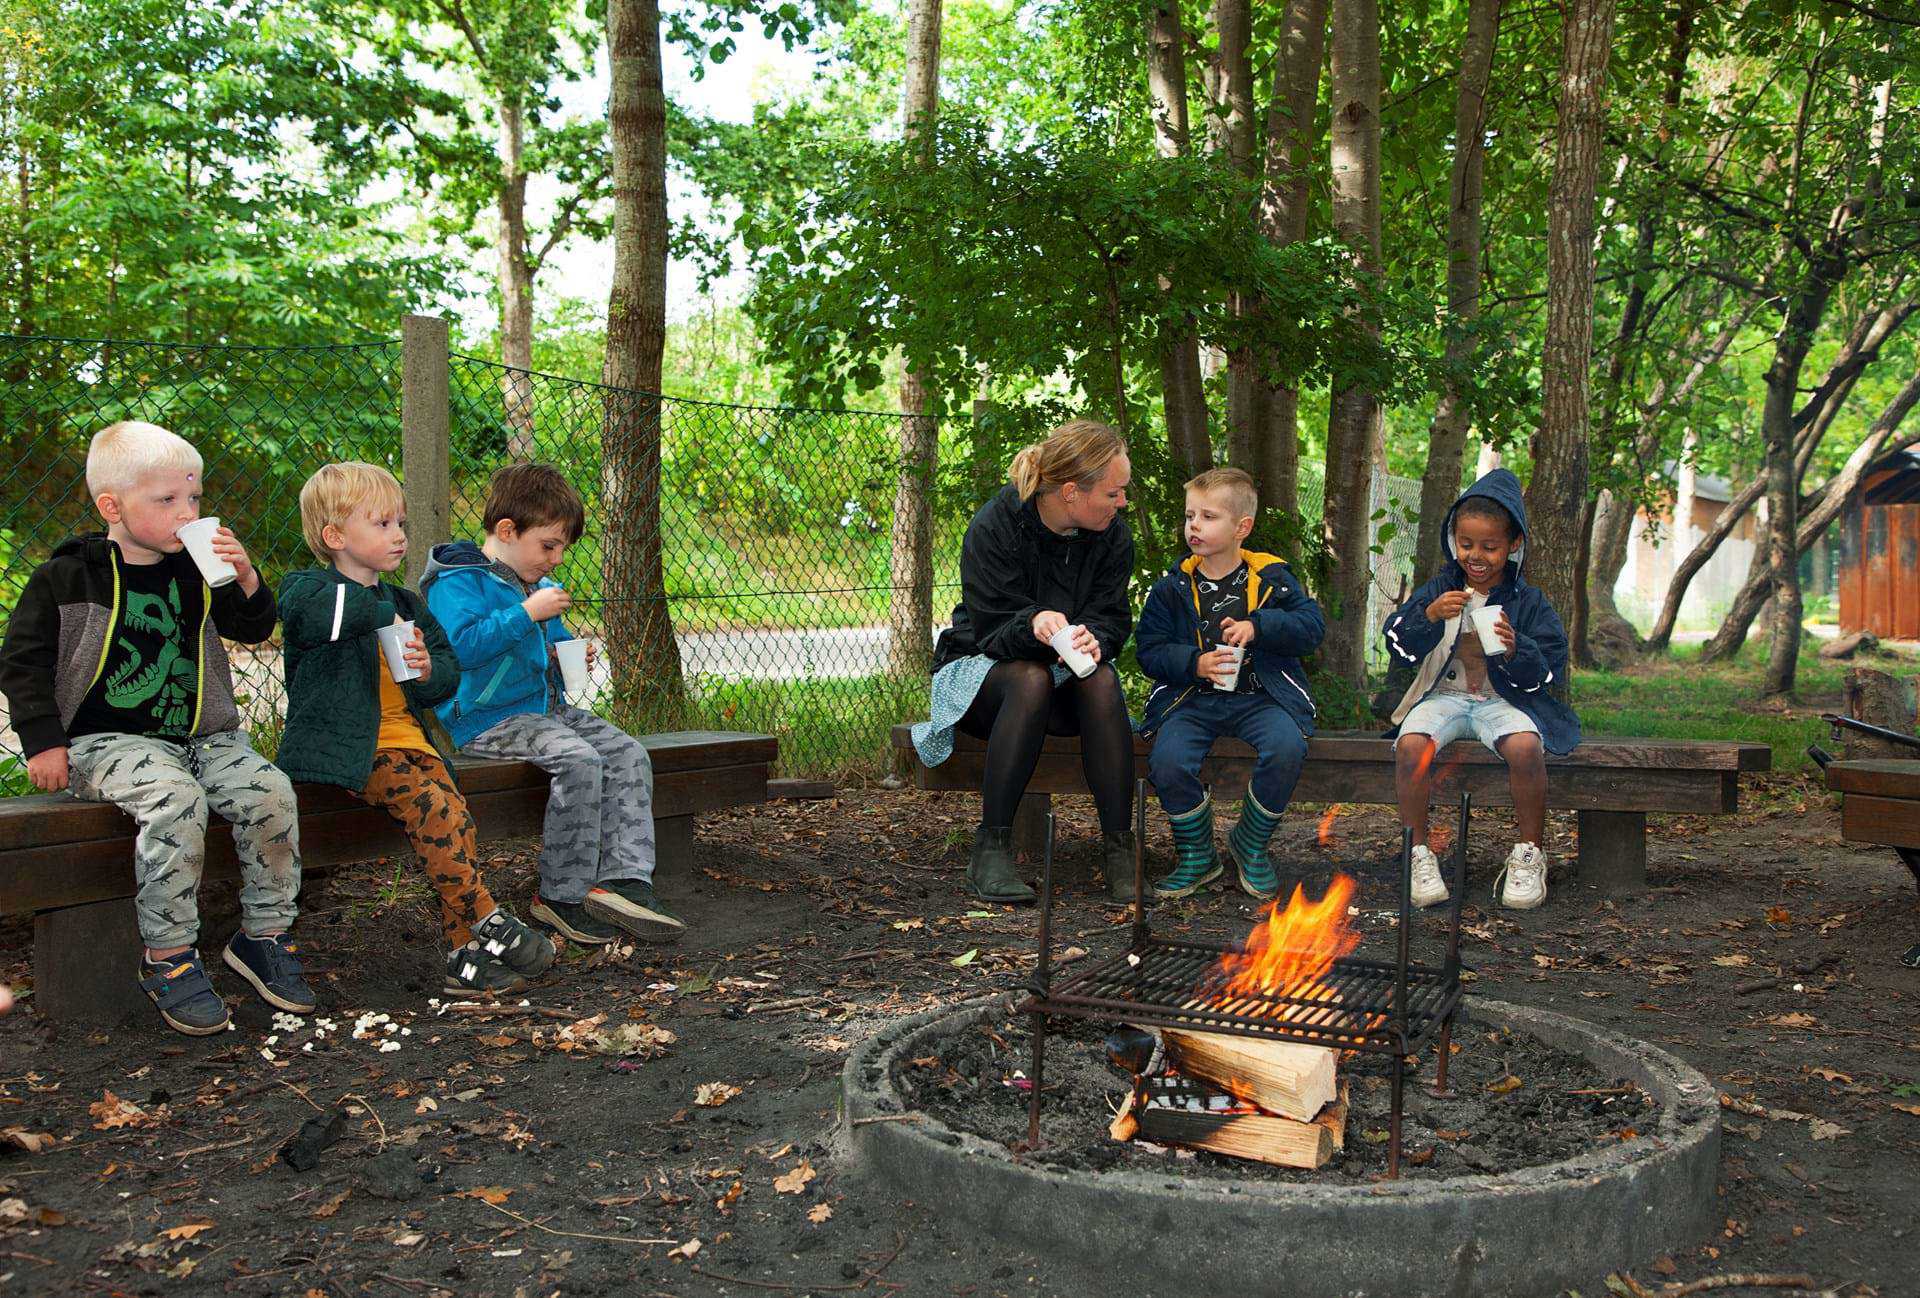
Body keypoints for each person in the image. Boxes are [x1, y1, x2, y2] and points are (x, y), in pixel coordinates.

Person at [0, 421, 312, 1034]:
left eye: (194, 498)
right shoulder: (69, 577)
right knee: (176, 801)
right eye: (167, 500)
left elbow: (252, 628)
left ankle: (264, 937)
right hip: (103, 742)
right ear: (112, 506)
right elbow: (22, 660)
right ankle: (167, 955)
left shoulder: (196, 568)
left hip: (204, 738)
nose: (186, 512)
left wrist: (246, 577)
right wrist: (42, 740)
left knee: (271, 792)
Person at [276, 462, 556, 994]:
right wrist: (385, 613)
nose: (399, 534)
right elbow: (319, 617)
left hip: (412, 745)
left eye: (400, 522)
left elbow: (445, 678)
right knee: (432, 809)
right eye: (382, 524)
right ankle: (488, 917)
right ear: (334, 536)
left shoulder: (407, 603)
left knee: (454, 818)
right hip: (350, 751)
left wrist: (427, 668)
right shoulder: (310, 590)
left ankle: (461, 954)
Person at [421, 463, 681, 946]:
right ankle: (560, 895)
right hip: (486, 718)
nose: (557, 559)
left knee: (627, 753)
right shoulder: (457, 581)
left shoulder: (537, 587)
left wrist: (571, 653)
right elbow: (458, 650)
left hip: (545, 711)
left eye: (562, 548)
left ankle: (625, 881)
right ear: (506, 530)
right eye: (549, 545)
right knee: (578, 760)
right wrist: (524, 614)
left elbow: (548, 651)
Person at [910, 419, 1137, 904]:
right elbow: (990, 628)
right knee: (1031, 679)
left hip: (1064, 678)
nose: (1123, 503)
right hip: (983, 675)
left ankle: (1120, 852)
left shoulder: (1113, 535)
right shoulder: (996, 524)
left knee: (1101, 681)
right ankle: (991, 848)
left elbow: (1114, 616)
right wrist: (1034, 621)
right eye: (1114, 493)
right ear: (1072, 492)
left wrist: (1097, 637)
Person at [1381, 468, 1580, 910]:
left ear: (1513, 546)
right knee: (1411, 746)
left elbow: (1549, 668)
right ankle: (1418, 853)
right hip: (1443, 698)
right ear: (1453, 539)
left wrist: (1515, 648)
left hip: (1501, 700)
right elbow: (1398, 648)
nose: (1477, 556)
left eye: (1490, 547)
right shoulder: (1440, 589)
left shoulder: (1528, 602)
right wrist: (1429, 615)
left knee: (1528, 748)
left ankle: (1529, 853)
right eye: (1467, 544)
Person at [1137, 468, 1325, 901]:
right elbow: (1148, 650)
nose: (1194, 526)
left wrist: (1259, 627)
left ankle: (1250, 844)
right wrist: (1195, 662)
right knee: (1167, 759)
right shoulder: (1172, 588)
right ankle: (1197, 854)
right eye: (1189, 516)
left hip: (1262, 698)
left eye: (1208, 516)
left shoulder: (1274, 580)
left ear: (1242, 527)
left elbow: (1311, 629)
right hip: (1191, 699)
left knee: (1287, 746)